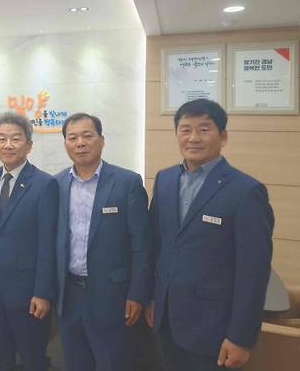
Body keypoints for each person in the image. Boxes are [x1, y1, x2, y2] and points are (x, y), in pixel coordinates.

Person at [146, 99, 274, 371]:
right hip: (166, 320)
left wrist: (241, 336)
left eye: (204, 129)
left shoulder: (246, 191)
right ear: (176, 134)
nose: (193, 138)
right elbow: (157, 246)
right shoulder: (165, 179)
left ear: (223, 136)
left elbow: (253, 272)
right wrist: (153, 298)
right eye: (185, 129)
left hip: (213, 328)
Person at [54, 112, 152, 371]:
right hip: (69, 295)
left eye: (87, 136)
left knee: (113, 362)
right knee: (75, 362)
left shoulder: (127, 183)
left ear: (102, 140)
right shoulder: (57, 184)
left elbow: (142, 244)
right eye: (72, 138)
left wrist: (138, 293)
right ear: (65, 144)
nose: (80, 143)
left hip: (113, 296)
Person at [0, 112, 58, 371]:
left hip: (28, 294)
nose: (8, 145)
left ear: (29, 145)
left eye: (15, 138)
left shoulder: (45, 184)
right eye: (2, 138)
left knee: (32, 357)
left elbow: (48, 244)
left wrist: (43, 292)